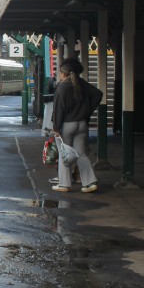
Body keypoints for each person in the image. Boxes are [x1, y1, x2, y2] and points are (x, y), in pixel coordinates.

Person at [51, 57, 104, 193]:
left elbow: (59, 109)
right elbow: (98, 94)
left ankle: (64, 184)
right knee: (81, 154)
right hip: (82, 124)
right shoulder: (81, 83)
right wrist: (87, 111)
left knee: (65, 154)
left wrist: (56, 128)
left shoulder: (62, 87)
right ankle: (90, 183)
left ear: (63, 73)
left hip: (66, 126)